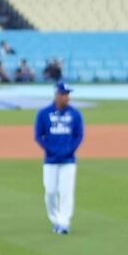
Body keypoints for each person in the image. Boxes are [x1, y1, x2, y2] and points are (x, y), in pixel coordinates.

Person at [34, 81, 84, 234]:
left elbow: (78, 135)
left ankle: (64, 222)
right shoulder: (44, 113)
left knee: (66, 191)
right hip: (50, 160)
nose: (66, 97)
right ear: (57, 95)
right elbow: (38, 136)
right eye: (64, 94)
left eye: (68, 94)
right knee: (50, 191)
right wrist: (51, 150)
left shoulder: (75, 114)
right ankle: (55, 219)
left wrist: (69, 149)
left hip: (68, 160)